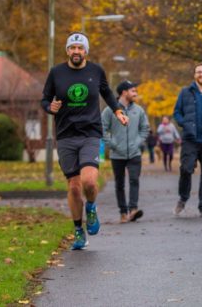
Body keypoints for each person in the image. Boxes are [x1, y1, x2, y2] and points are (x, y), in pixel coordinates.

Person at [41, 32, 128, 250]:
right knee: (74, 187)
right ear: (67, 51)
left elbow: (107, 93)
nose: (76, 51)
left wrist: (118, 110)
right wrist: (48, 107)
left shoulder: (96, 70)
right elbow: (44, 99)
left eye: (80, 48)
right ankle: (78, 230)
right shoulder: (56, 73)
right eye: (73, 48)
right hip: (66, 135)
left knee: (89, 181)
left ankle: (91, 207)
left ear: (86, 51)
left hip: (90, 133)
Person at [173, 63, 202, 217]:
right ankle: (183, 198)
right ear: (194, 75)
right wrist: (185, 124)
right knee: (186, 169)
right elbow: (177, 112)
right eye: (199, 72)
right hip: (190, 140)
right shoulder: (185, 92)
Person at [102, 80, 150, 224]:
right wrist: (112, 144)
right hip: (117, 154)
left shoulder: (139, 110)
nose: (135, 93)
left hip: (134, 153)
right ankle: (123, 212)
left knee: (134, 180)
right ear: (124, 92)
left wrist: (137, 142)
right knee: (119, 184)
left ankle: (133, 209)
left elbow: (145, 129)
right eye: (133, 91)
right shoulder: (109, 110)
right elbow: (102, 129)